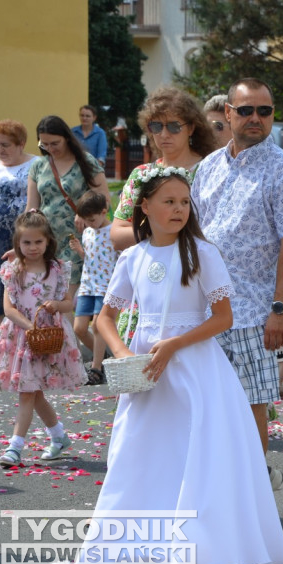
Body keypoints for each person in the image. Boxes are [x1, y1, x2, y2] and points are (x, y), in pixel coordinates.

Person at [49, 167, 283, 564]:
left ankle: (187, 556)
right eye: (168, 201)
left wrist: (176, 344)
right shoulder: (132, 256)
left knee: (190, 457)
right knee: (134, 456)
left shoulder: (202, 253)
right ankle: (100, 562)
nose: (178, 209)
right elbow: (106, 317)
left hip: (195, 372)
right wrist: (126, 353)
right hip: (146, 375)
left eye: (184, 202)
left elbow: (222, 318)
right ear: (144, 207)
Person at [192, 78, 283, 488]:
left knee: (251, 402)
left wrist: (280, 309)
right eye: (246, 110)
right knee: (205, 405)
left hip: (252, 311)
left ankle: (254, 489)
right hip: (204, 309)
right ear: (228, 113)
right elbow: (195, 236)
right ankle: (218, 487)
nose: (256, 118)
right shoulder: (206, 168)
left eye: (265, 111)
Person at [0, 211, 84, 466]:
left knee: (32, 391)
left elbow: (69, 303)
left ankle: (17, 447)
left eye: (38, 242)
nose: (33, 247)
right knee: (30, 392)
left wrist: (56, 304)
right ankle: (53, 437)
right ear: (17, 244)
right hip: (22, 336)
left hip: (48, 337)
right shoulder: (13, 271)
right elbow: (8, 309)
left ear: (47, 241)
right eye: (26, 242)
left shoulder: (56, 269)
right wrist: (30, 326)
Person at [111, 86, 218, 251]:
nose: (164, 134)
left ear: (191, 128)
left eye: (174, 126)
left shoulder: (212, 170)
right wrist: (162, 230)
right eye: (156, 126)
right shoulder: (141, 175)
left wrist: (151, 230)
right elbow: (117, 236)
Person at [26, 116, 108, 291]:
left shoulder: (85, 162)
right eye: (44, 144)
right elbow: (31, 207)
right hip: (46, 240)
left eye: (55, 143)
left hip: (76, 239)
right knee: (46, 296)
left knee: (65, 297)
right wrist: (24, 240)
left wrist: (82, 212)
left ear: (67, 138)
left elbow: (104, 199)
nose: (49, 148)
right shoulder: (38, 166)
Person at [0, 119, 35, 336]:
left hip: (24, 238)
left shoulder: (35, 165)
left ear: (21, 143)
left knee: (22, 294)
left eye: (5, 144)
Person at [68, 192, 116, 385]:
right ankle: (102, 356)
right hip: (88, 285)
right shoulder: (87, 232)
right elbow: (90, 258)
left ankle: (96, 368)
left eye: (92, 219)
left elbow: (122, 258)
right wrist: (80, 251)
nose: (89, 223)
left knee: (97, 325)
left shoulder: (114, 231)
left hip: (106, 286)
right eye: (85, 220)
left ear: (104, 212)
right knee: (79, 328)